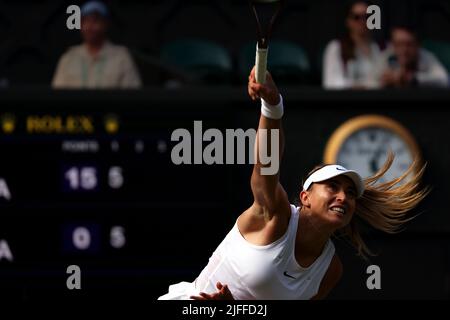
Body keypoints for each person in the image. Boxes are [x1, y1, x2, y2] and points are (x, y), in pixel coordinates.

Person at [158, 67, 428, 300]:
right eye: (332, 187)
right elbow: (267, 163)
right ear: (305, 197)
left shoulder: (330, 269)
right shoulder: (274, 216)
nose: (343, 198)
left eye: (349, 193)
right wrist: (273, 106)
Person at [52, 1, 141, 89]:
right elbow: (57, 94)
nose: (90, 26)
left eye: (95, 21)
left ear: (105, 24)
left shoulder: (121, 57)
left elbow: (132, 94)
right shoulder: (69, 57)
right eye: (86, 21)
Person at [322, 1, 380, 89]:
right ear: (348, 21)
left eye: (367, 17)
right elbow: (330, 82)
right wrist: (355, 86)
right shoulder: (336, 47)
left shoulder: (378, 48)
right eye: (357, 17)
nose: (362, 21)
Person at [376, 25, 448, 88]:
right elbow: (370, 81)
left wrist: (412, 79)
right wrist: (383, 81)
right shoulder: (387, 56)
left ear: (418, 44)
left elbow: (444, 81)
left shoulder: (426, 56)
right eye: (399, 44)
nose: (404, 50)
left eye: (409, 44)